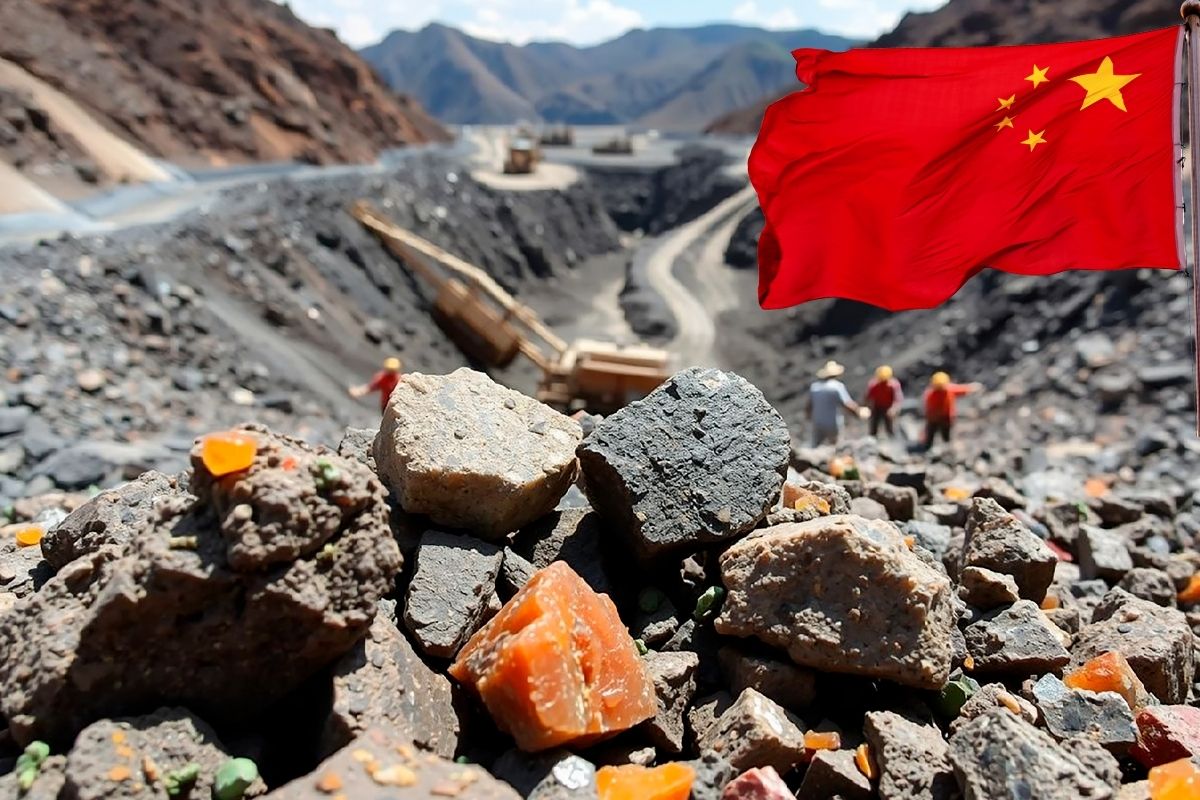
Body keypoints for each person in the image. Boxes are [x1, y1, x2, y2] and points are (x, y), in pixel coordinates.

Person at [923, 371, 983, 448]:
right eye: (939, 386)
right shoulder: (931, 395)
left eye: (942, 386)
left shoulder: (949, 389)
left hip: (946, 418)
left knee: (946, 434)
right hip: (933, 418)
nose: (941, 388)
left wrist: (972, 387)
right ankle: (927, 446)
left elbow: (961, 389)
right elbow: (929, 408)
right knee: (931, 433)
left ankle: (947, 448)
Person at [808, 360, 861, 446]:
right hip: (833, 422)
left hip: (818, 421)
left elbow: (809, 406)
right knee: (836, 446)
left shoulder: (815, 387)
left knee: (815, 445)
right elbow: (847, 404)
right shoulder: (837, 387)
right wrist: (857, 412)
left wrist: (809, 417)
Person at [863, 365, 903, 437]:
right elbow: (867, 397)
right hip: (877, 407)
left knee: (890, 427)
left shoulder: (893, 385)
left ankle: (893, 439)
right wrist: (866, 408)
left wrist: (893, 409)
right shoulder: (873, 385)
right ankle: (872, 440)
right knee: (873, 426)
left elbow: (897, 398)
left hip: (889, 408)